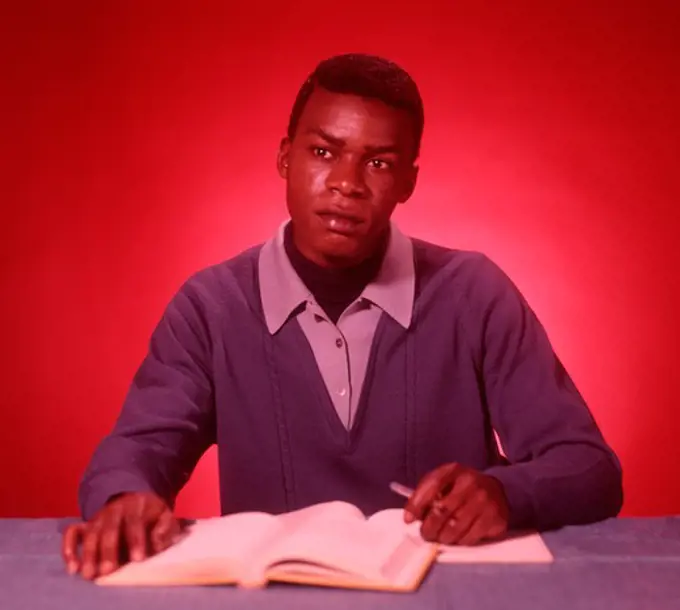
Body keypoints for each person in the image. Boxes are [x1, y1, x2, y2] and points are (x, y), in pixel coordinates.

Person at [62, 53, 623, 580]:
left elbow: (588, 467)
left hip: (447, 596)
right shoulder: (211, 307)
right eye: (323, 152)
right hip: (277, 597)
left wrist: (507, 493)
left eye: (378, 162)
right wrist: (123, 499)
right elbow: (139, 448)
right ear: (284, 156)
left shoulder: (474, 293)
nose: (347, 184)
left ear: (408, 182)